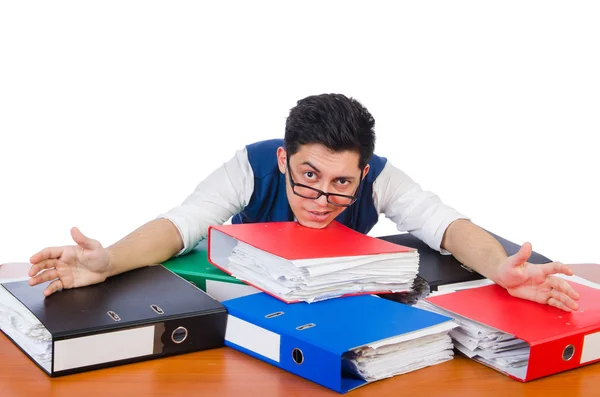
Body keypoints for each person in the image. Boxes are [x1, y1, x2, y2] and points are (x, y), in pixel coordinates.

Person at [27, 93, 580, 312]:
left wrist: (499, 269)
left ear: (362, 173)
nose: (321, 199)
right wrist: (109, 262)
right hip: (248, 308)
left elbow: (447, 225)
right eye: (308, 176)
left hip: (337, 307)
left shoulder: (378, 178)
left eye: (342, 184)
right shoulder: (249, 164)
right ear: (284, 161)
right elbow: (180, 225)